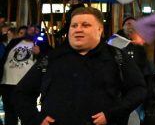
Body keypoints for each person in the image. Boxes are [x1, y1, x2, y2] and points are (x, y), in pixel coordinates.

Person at [15, 7, 146, 125]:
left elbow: (138, 90)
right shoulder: (52, 58)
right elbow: (21, 93)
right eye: (74, 25)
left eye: (85, 25)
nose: (78, 29)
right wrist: (35, 118)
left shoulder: (117, 56)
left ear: (99, 29)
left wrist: (113, 114)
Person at [1, 25, 50, 125]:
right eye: (31, 28)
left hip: (26, 87)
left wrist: (40, 54)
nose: (33, 31)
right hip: (7, 83)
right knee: (10, 114)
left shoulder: (43, 46)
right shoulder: (15, 42)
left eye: (36, 29)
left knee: (27, 114)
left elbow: (46, 64)